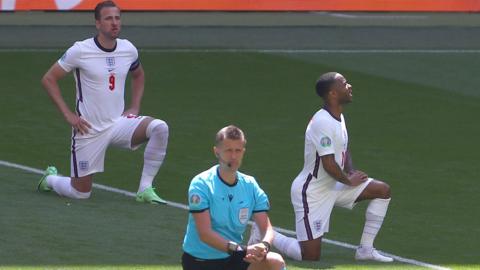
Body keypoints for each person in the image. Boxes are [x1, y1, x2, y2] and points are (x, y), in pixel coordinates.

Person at [249, 72, 393, 262]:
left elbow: (343, 148)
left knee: (382, 190)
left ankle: (365, 249)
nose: (349, 86)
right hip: (312, 192)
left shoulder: (338, 117)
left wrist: (350, 170)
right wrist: (348, 180)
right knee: (309, 256)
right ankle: (265, 231)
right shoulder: (322, 121)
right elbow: (328, 164)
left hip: (335, 185)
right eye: (344, 84)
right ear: (333, 93)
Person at [37, 0, 168, 204]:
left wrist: (134, 107)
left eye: (117, 18)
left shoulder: (128, 49)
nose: (114, 23)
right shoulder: (80, 51)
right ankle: (51, 179)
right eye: (108, 19)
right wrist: (68, 115)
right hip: (89, 130)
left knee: (159, 128)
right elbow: (48, 79)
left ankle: (144, 189)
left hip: (118, 124)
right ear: (97, 23)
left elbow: (139, 75)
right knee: (80, 193)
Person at [182, 125, 286, 270]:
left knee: (275, 262)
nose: (234, 156)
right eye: (228, 150)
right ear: (216, 152)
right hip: (201, 262)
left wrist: (264, 245)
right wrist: (241, 250)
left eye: (238, 150)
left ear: (243, 152)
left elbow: (266, 227)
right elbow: (205, 234)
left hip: (233, 257)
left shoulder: (250, 185)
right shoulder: (201, 184)